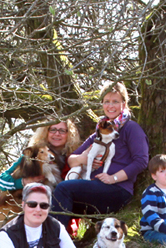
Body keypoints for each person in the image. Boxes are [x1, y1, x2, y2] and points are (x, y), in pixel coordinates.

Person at [52, 81, 150, 227]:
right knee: (53, 199)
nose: (110, 106)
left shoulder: (131, 128)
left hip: (117, 191)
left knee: (64, 188)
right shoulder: (99, 132)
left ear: (123, 104)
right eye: (106, 101)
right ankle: (56, 243)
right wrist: (83, 159)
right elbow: (71, 160)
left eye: (115, 101)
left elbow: (141, 161)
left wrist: (113, 178)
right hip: (94, 188)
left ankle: (53, 243)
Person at [0, 120, 82, 193]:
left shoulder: (75, 155)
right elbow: (1, 182)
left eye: (62, 131)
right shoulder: (33, 154)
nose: (57, 133)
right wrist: (24, 182)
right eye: (53, 130)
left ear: (69, 134)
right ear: (46, 132)